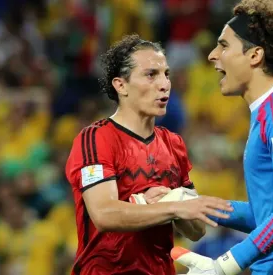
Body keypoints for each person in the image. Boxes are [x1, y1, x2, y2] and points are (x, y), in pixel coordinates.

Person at [170, 0, 273, 274]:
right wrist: (196, 205)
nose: (213, 55)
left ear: (255, 55)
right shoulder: (270, 111)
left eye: (224, 45)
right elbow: (268, 214)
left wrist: (225, 265)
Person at [65, 34, 233, 275]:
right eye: (151, 74)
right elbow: (104, 214)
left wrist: (173, 197)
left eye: (166, 74)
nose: (164, 84)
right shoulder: (95, 138)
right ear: (120, 85)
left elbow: (197, 230)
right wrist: (173, 207)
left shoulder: (173, 143)